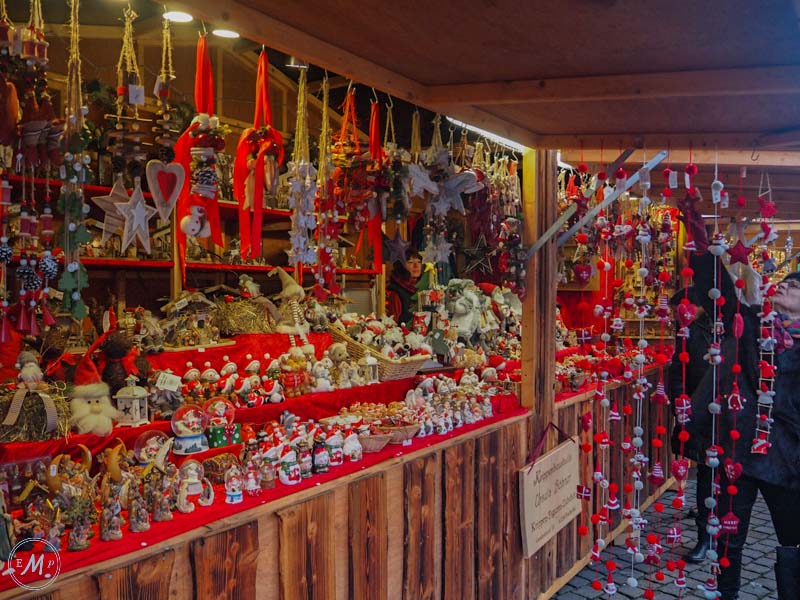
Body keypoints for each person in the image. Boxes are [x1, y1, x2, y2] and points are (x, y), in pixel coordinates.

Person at [679, 195, 800, 599]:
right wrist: (697, 233)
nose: (785, 286)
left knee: (793, 541)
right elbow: (719, 287)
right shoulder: (751, 324)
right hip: (739, 452)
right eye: (787, 281)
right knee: (729, 539)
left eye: (795, 287)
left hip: (789, 458)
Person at [667, 287, 714, 564]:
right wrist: (680, 403)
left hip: (725, 413)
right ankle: (704, 534)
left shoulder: (723, 329)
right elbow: (677, 371)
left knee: (720, 475)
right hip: (698, 411)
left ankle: (716, 532)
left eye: (680, 308)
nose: (677, 314)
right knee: (706, 474)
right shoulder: (686, 333)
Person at [386, 248, 423, 326]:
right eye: (410, 262)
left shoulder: (424, 288)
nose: (416, 266)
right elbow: (392, 323)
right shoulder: (395, 292)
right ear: (401, 266)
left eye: (419, 262)